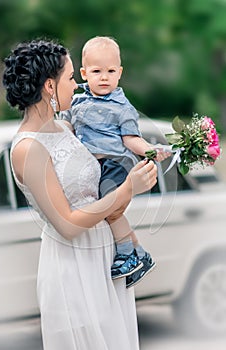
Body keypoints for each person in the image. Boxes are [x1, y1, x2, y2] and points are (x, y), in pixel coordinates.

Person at [3, 39, 158, 350]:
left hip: (104, 259)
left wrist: (131, 179)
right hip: (73, 267)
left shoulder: (65, 128)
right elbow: (68, 224)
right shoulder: (27, 148)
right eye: (71, 77)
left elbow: (93, 191)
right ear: (49, 86)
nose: (77, 85)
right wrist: (129, 188)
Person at [61, 36, 171, 288]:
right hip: (92, 167)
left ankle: (126, 254)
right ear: (84, 73)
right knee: (105, 210)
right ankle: (141, 254)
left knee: (110, 209)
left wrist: (150, 150)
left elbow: (131, 138)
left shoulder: (122, 107)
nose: (104, 77)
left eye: (110, 71)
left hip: (115, 164)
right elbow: (66, 124)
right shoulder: (77, 100)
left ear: (119, 73)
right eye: (97, 71)